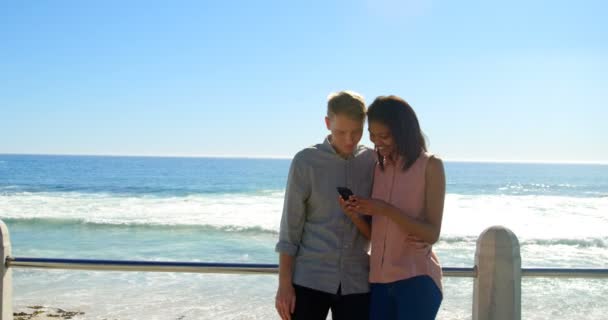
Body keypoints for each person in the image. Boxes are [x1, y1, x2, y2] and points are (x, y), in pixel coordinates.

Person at [342, 95, 446, 320]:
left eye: (384, 135)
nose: (377, 142)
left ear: (402, 131)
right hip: (379, 284)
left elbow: (432, 233)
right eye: (372, 135)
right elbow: (376, 235)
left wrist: (385, 209)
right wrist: (356, 216)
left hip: (417, 281)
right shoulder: (377, 168)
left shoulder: (431, 165)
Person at [275, 90, 376, 320]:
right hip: (309, 280)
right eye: (341, 132)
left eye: (356, 132)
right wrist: (284, 285)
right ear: (327, 123)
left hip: (357, 282)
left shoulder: (373, 162)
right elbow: (290, 228)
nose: (350, 139)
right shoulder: (305, 161)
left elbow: (377, 226)